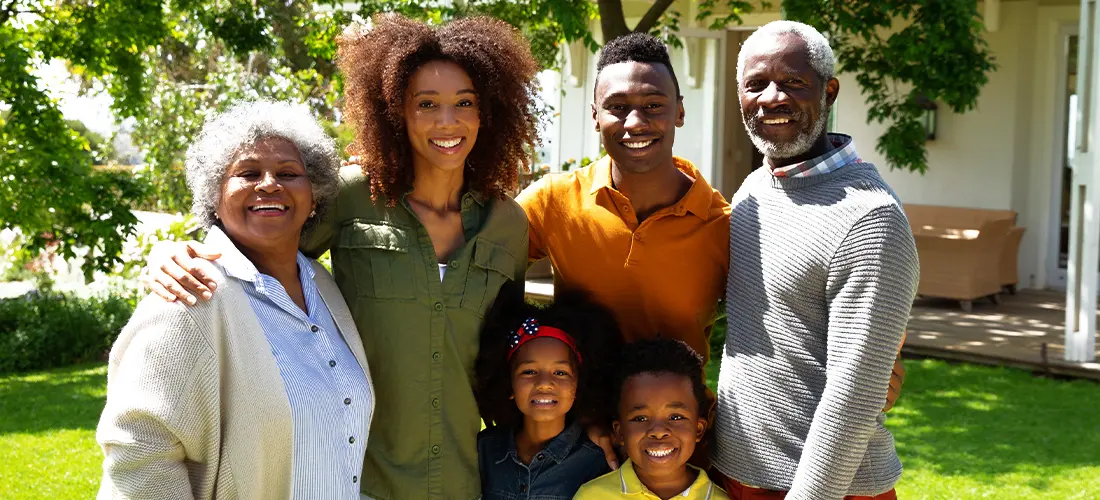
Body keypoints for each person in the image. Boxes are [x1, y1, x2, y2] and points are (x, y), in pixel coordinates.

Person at [139, 14, 540, 499]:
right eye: (426, 104)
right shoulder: (352, 197)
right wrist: (174, 251)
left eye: (465, 103)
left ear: (488, 113)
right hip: (356, 480)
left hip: (465, 480)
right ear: (396, 113)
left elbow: (509, 355)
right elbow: (258, 249)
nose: (447, 121)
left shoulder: (509, 225)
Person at [516, 31, 905, 468]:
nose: (635, 123)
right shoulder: (551, 202)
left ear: (679, 111)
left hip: (684, 449)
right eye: (618, 108)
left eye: (653, 106)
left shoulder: (725, 223)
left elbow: (779, 322)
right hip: (580, 441)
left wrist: (873, 375)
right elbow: (480, 284)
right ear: (594, 115)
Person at [96, 100, 374, 499]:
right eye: (247, 173)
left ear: (315, 198)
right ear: (214, 196)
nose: (268, 184)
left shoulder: (324, 286)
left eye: (288, 173)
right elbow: (140, 452)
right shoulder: (190, 296)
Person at [711, 21, 920, 500]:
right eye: (755, 84)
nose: (772, 97)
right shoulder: (754, 190)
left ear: (829, 91)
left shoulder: (870, 218)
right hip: (738, 474)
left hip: (827, 488)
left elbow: (855, 398)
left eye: (793, 82)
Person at [474, 286, 622, 500]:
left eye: (560, 372)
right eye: (529, 371)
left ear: (579, 385)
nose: (544, 383)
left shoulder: (598, 461)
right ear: (508, 384)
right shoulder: (483, 451)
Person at [574, 338, 728, 500]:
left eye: (675, 417)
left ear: (698, 429)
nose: (658, 431)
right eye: (640, 418)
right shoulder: (592, 496)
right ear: (620, 432)